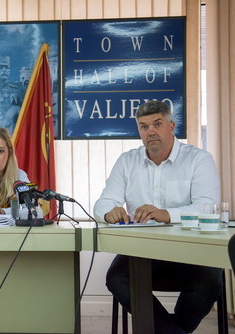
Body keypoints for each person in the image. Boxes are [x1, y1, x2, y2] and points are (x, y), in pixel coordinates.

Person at [93, 100, 223, 334]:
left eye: (157, 124)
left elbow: (207, 207)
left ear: (171, 126)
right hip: (143, 248)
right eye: (143, 126)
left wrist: (166, 214)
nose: (150, 131)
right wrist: (108, 211)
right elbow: (103, 202)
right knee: (116, 278)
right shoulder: (127, 161)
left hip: (190, 246)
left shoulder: (198, 159)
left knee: (210, 282)